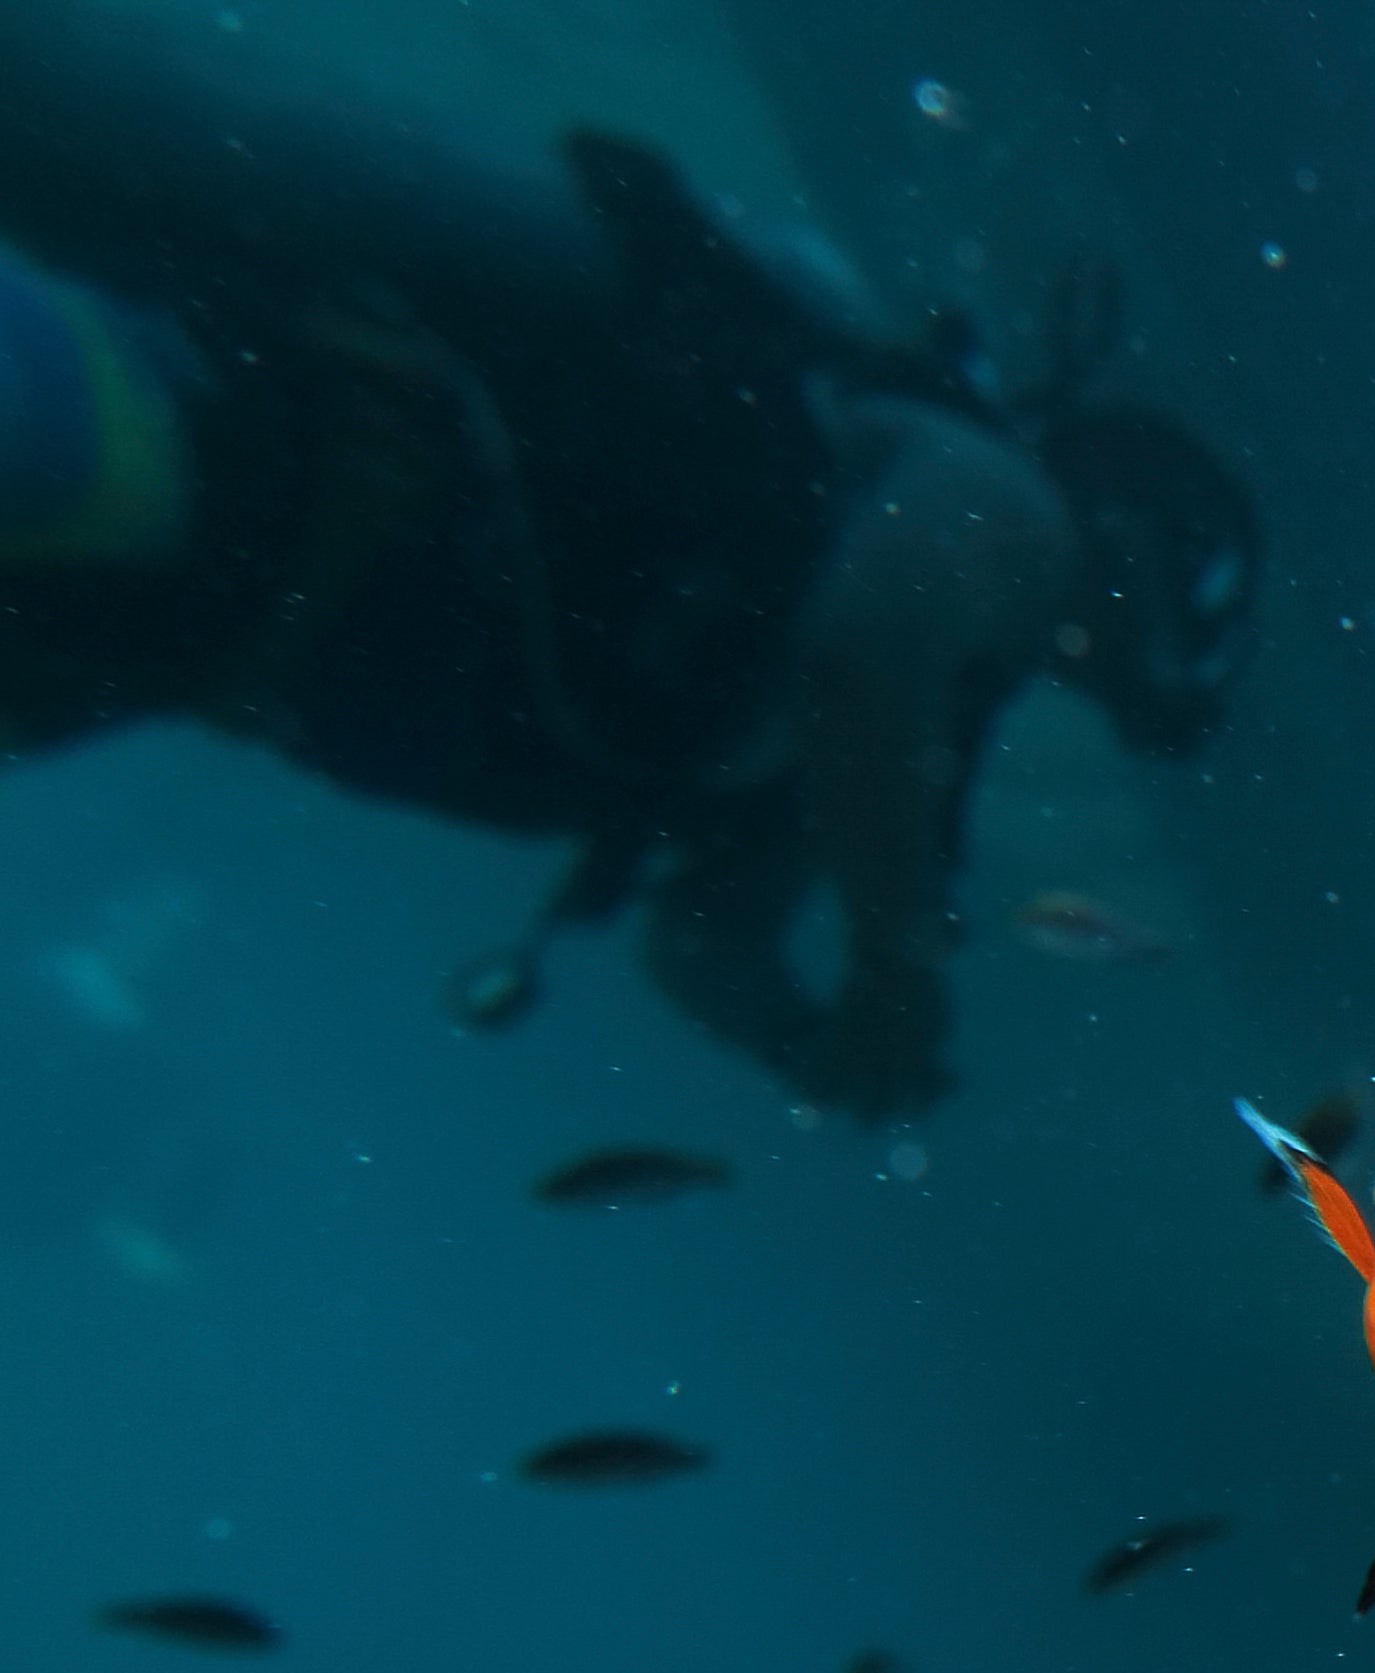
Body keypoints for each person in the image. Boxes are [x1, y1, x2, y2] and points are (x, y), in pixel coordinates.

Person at [0, 0, 1257, 1119]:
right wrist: (889, 969)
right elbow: (863, 656)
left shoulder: (888, 747)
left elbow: (707, 940)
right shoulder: (1006, 510)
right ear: (1140, 555)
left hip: (224, 613)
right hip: (283, 477)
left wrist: (811, 1039)